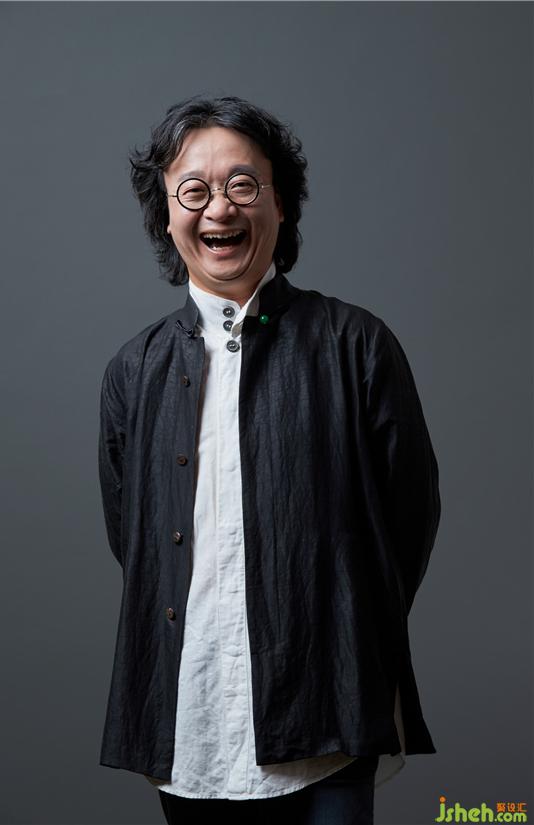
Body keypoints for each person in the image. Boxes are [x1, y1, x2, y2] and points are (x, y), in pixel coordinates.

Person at [98, 95, 441, 825]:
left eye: (242, 184)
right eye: (193, 190)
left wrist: (339, 627)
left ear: (280, 204)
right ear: (166, 215)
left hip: (330, 714)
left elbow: (408, 519)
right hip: (190, 722)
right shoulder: (133, 370)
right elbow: (134, 538)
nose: (219, 207)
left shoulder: (355, 344)